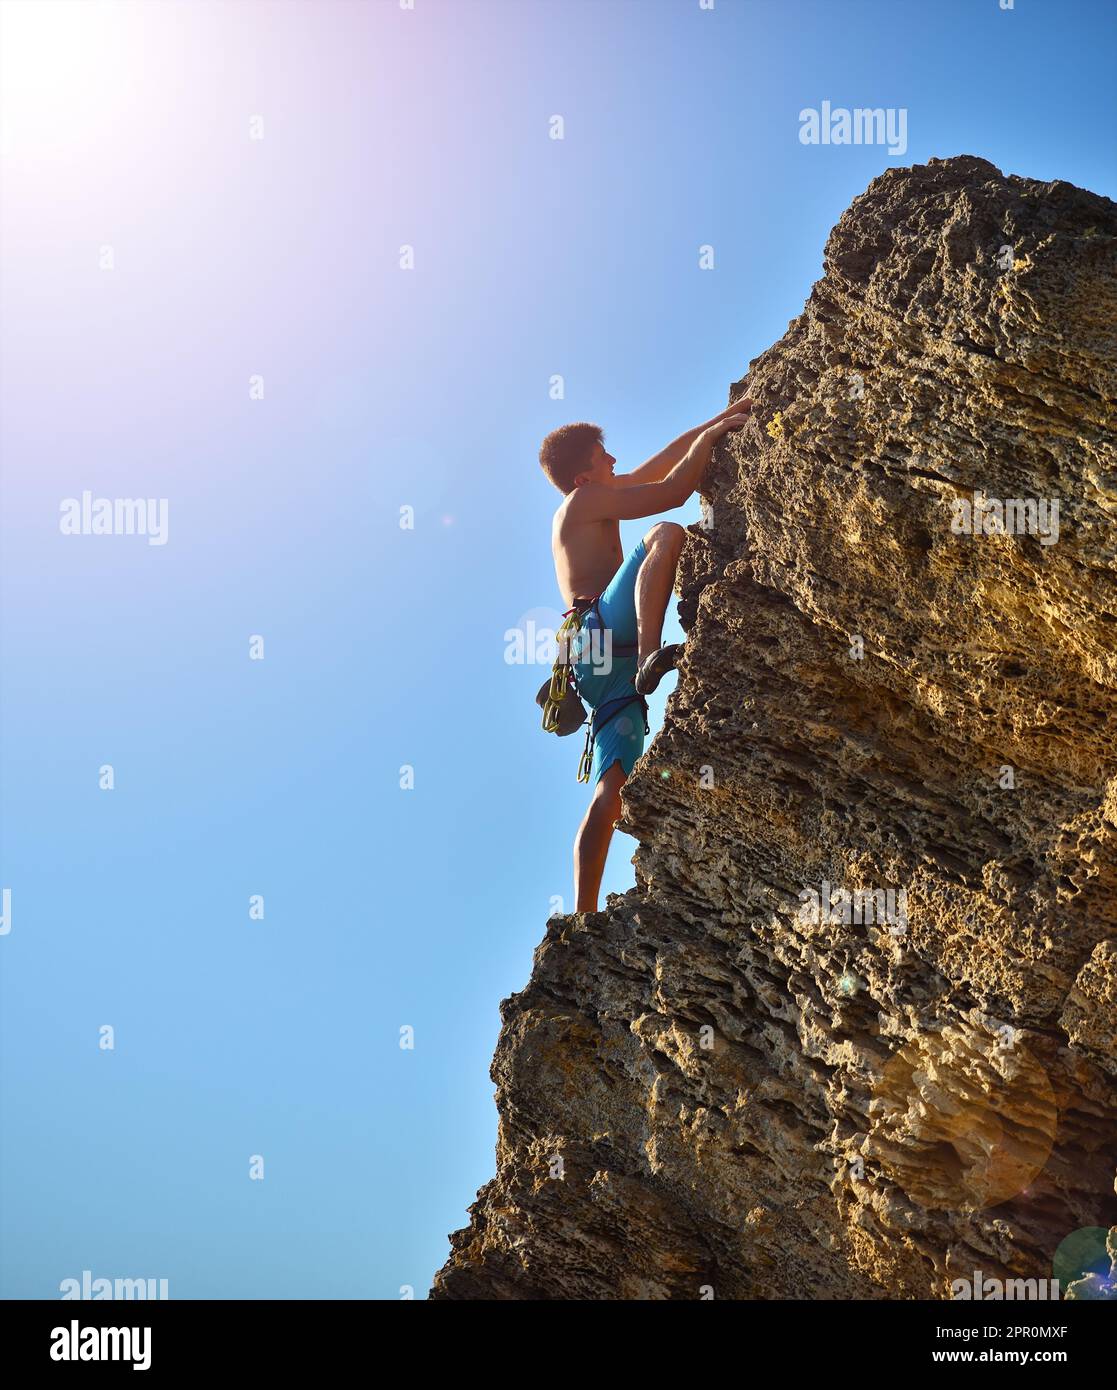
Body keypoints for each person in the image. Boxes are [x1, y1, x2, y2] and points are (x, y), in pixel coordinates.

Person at [539, 399, 753, 912]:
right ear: (582, 475)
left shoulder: (592, 497)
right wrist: (710, 441)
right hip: (600, 635)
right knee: (665, 534)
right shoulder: (582, 503)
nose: (614, 461)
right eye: (603, 456)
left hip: (590, 665)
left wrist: (716, 424)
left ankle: (583, 915)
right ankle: (651, 656)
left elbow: (657, 466)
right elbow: (673, 491)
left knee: (611, 790)